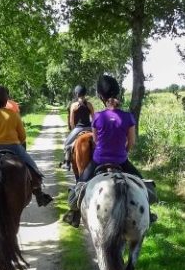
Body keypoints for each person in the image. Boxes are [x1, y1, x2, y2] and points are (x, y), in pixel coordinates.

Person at [62, 74, 156, 227]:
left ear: (101, 96)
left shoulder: (98, 117)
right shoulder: (128, 117)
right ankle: (149, 214)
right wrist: (123, 152)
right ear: (117, 94)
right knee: (144, 185)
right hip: (120, 160)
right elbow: (131, 142)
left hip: (99, 159)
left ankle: (74, 213)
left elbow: (97, 141)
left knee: (79, 185)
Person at [0, 85, 53, 207]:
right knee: (33, 167)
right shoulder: (14, 114)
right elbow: (22, 137)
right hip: (14, 147)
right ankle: (39, 193)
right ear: (6, 100)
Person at [62, 84, 94, 168]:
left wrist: (73, 130)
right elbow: (94, 119)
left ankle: (67, 163)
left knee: (66, 144)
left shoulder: (73, 105)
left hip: (78, 129)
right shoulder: (89, 105)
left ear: (76, 94)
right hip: (90, 128)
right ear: (85, 94)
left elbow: (71, 121)